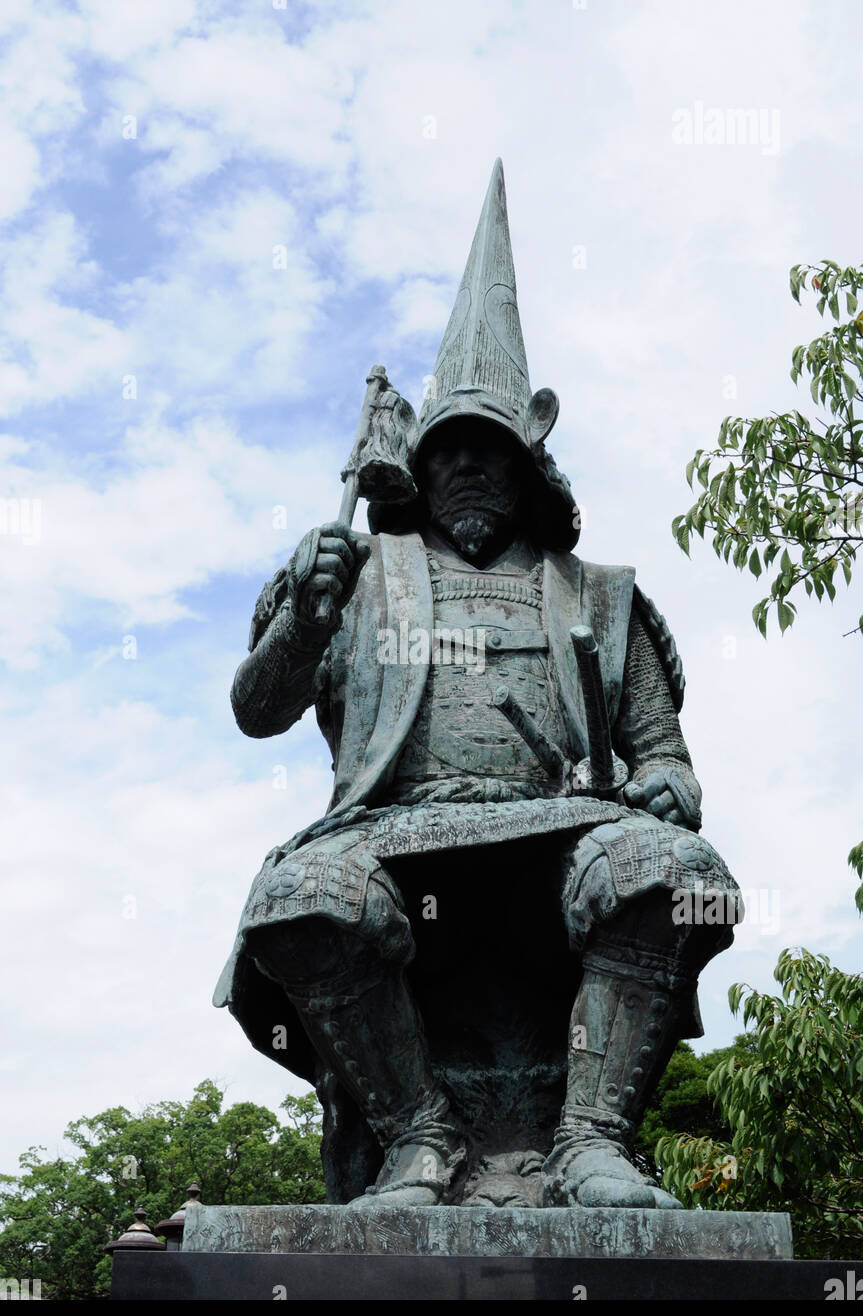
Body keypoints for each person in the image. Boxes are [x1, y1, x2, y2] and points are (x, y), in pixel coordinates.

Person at [214, 160, 741, 1210]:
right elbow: (257, 708)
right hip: (395, 832)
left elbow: (667, 761)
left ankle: (587, 1140)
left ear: (525, 466)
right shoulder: (357, 575)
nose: (462, 466)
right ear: (415, 458)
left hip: (559, 829)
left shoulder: (597, 594)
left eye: (485, 450)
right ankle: (418, 1135)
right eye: (444, 448)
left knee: (668, 864)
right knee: (296, 894)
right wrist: (306, 614)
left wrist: (665, 791)